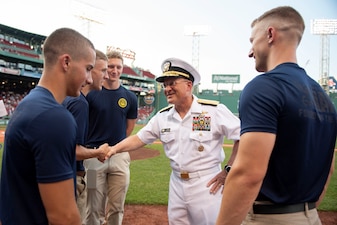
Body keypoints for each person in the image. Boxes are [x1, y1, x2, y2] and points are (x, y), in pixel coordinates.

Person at [215, 6, 337, 225]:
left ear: (270, 35)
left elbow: (248, 174)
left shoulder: (264, 86)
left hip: (268, 218)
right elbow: (329, 169)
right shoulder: (324, 98)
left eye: (253, 41)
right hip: (310, 216)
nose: (250, 51)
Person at [105, 57, 240, 225]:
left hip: (207, 185)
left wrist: (228, 170)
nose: (167, 89)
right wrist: (113, 149)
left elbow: (242, 137)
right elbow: (139, 138)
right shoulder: (163, 117)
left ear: (189, 85)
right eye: (165, 85)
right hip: (177, 185)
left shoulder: (213, 111)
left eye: (172, 83)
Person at [0, 28, 96, 225]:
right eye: (88, 68)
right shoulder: (54, 117)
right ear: (66, 62)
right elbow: (64, 217)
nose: (90, 79)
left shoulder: (30, 104)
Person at [84, 51, 138, 225]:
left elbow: (129, 127)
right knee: (92, 206)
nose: (114, 71)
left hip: (119, 158)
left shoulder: (130, 97)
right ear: (105, 68)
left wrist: (116, 148)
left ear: (122, 69)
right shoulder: (91, 94)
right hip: (92, 158)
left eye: (118, 67)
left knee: (117, 206)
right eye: (110, 67)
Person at [62, 49, 110, 224]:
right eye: (103, 70)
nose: (106, 75)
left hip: (62, 174)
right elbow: (70, 150)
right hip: (76, 174)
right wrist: (97, 152)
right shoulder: (79, 103)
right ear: (89, 69)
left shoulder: (65, 97)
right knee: (84, 210)